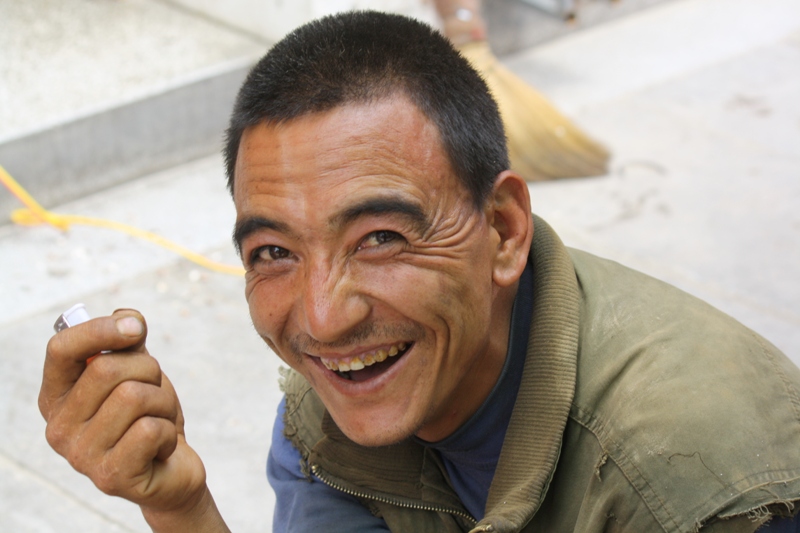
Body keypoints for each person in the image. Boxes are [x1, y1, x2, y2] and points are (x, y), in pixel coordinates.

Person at [39, 11, 800, 533]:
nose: (325, 319)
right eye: (273, 252)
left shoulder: (693, 482)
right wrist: (178, 504)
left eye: (378, 238)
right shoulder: (340, 404)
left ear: (502, 231)